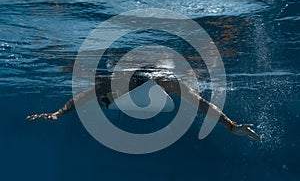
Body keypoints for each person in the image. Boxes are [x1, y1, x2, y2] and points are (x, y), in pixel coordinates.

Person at [26, 70, 261, 141]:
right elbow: (85, 95)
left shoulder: (171, 85)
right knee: (104, 94)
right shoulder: (119, 83)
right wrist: (58, 113)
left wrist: (231, 125)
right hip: (116, 100)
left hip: (132, 99)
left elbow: (203, 104)